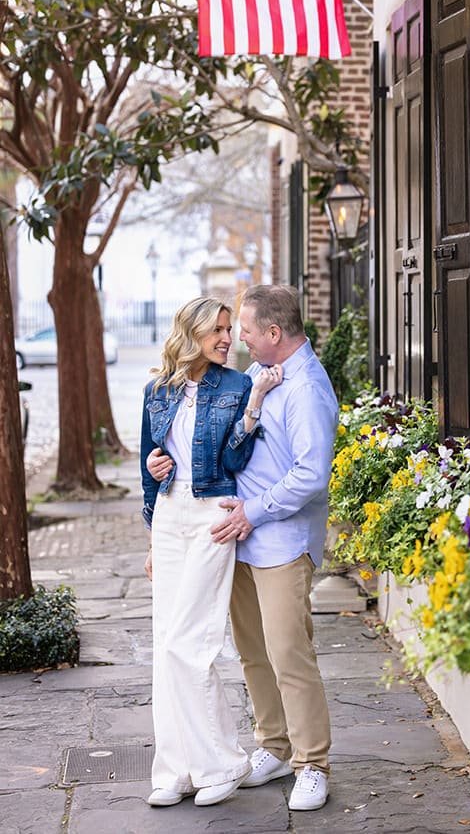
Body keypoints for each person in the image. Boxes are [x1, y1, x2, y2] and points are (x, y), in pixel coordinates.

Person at [147, 285, 338, 811]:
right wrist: (162, 462)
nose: (239, 340)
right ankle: (274, 746)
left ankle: (312, 764)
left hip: (279, 542)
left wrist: (253, 511)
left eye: (246, 331)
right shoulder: (258, 375)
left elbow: (311, 476)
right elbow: (221, 443)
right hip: (238, 541)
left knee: (288, 653)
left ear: (273, 332)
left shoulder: (307, 389)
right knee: (253, 654)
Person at [139, 297, 279, 808]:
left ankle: (221, 764)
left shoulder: (237, 385)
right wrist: (152, 528)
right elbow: (149, 463)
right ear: (191, 333)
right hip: (169, 518)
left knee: (191, 643)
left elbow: (236, 459)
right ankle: (176, 769)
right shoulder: (158, 389)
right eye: (217, 330)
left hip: (211, 517)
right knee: (166, 645)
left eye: (228, 329)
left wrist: (254, 404)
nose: (226, 338)